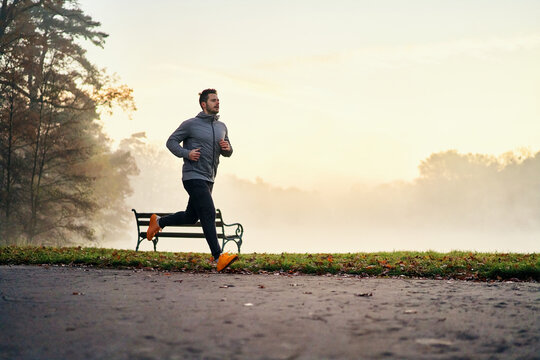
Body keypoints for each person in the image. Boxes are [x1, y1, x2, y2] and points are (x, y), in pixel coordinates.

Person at [146, 89, 238, 271]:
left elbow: (228, 151)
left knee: (191, 216)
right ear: (204, 104)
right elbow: (171, 142)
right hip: (192, 176)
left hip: (209, 177)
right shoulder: (190, 124)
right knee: (209, 212)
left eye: (218, 100)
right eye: (213, 100)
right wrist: (186, 153)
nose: (217, 103)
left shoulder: (222, 127)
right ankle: (218, 257)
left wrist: (227, 148)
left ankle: (158, 222)